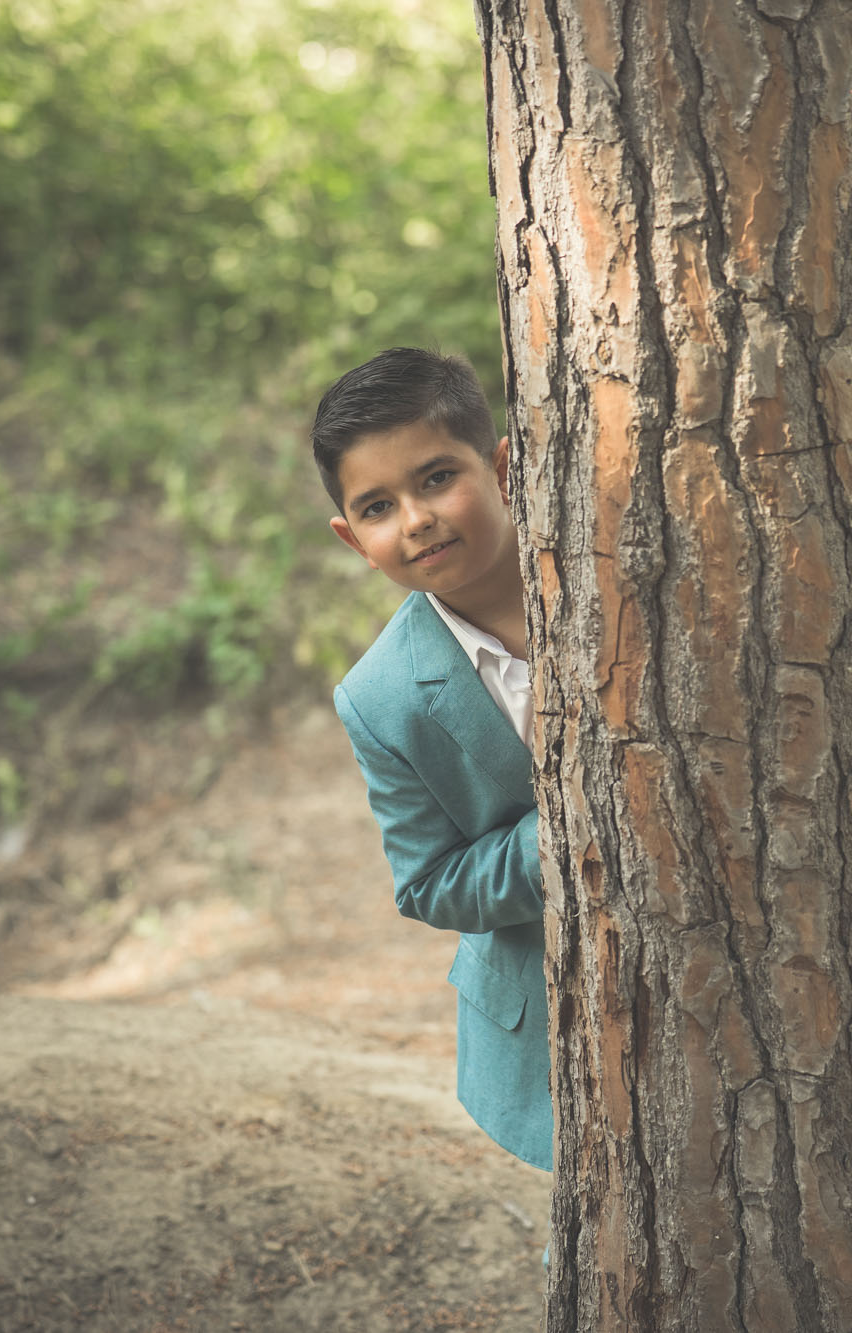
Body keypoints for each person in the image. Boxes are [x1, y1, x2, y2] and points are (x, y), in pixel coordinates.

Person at [311, 347, 550, 1171]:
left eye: (437, 478)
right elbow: (426, 882)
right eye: (378, 506)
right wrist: (575, 831)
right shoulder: (380, 699)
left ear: (503, 468)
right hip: (556, 1020)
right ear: (352, 538)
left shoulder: (627, 578)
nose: (415, 519)